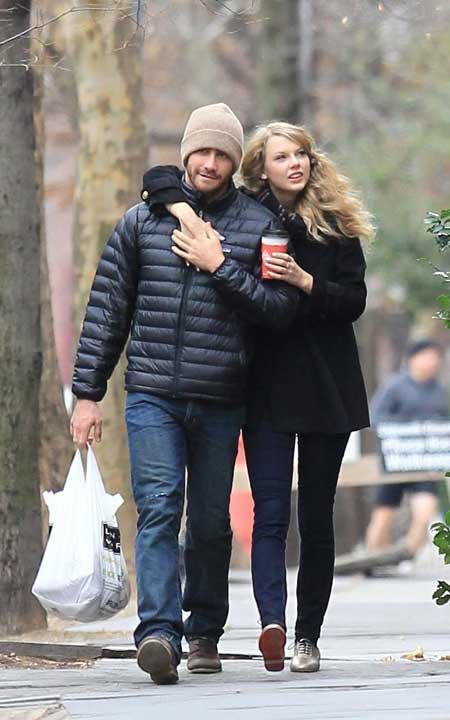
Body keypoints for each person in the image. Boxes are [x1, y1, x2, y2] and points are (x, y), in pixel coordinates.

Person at [70, 104, 298, 686]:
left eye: (223, 154)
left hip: (223, 398)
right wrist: (87, 394)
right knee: (159, 507)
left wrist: (221, 265)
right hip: (151, 395)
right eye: (203, 151)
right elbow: (106, 312)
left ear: (233, 161)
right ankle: (158, 635)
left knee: (210, 522)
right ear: (186, 152)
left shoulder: (258, 225)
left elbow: (277, 312)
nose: (212, 163)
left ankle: (204, 632)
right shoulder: (141, 222)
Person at [142, 121, 375, 673]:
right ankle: (272, 620)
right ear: (260, 167)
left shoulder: (337, 226)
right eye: (281, 156)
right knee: (269, 511)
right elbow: (160, 179)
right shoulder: (250, 215)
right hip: (266, 384)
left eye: (301, 154)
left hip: (327, 387)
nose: (294, 163)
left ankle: (307, 637)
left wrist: (303, 281)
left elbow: (353, 302)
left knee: (316, 515)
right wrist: (180, 210)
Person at [365, 339, 448, 557]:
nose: (432, 363)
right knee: (383, 514)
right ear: (413, 358)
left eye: (436, 359)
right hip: (395, 463)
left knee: (425, 511)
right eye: (428, 357)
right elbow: (375, 417)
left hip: (425, 464)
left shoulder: (439, 390)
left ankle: (406, 553)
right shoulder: (395, 386)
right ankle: (373, 556)